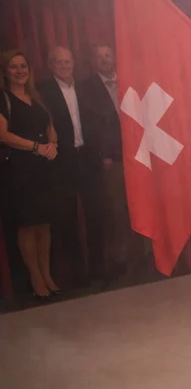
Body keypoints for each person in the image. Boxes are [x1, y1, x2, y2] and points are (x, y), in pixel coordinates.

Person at [38, 46, 105, 287]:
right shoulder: (42, 90)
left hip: (88, 158)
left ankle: (98, 269)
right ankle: (78, 275)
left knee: (95, 214)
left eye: (67, 61)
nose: (64, 66)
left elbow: (98, 121)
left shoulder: (86, 87)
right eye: (59, 62)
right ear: (50, 65)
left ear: (74, 63)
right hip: (61, 161)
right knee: (67, 218)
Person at [79, 44, 143, 280]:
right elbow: (89, 126)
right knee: (117, 212)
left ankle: (144, 257)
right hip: (112, 160)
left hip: (139, 156)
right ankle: (122, 263)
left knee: (141, 207)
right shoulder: (86, 88)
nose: (104, 59)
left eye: (108, 55)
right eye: (99, 56)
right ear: (93, 61)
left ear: (114, 57)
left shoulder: (130, 80)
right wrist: (102, 155)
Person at [0, 50, 60, 300]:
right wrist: (36, 147)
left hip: (43, 168)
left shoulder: (37, 96)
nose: (19, 71)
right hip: (19, 170)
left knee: (44, 224)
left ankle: (47, 275)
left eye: (23, 66)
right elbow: (3, 135)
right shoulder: (3, 98)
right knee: (27, 225)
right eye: (13, 67)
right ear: (5, 71)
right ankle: (36, 279)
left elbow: (50, 126)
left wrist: (53, 144)